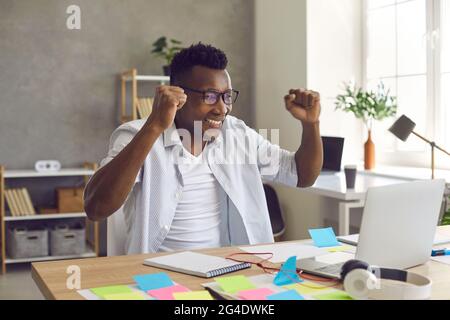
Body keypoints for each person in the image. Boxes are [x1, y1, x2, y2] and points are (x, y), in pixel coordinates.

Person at [84, 43, 323, 253]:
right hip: (157, 275)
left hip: (225, 271)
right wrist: (154, 126)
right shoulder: (136, 136)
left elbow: (302, 175)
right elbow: (96, 208)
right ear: (178, 95)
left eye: (226, 96)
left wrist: (311, 124)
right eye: (210, 96)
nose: (222, 108)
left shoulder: (236, 134)